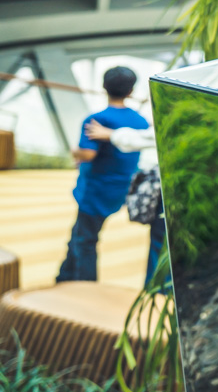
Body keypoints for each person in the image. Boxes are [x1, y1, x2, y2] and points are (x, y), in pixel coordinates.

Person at [55, 67, 150, 282]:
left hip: (95, 191)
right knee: (79, 235)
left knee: (85, 241)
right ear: (131, 90)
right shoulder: (140, 122)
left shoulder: (97, 119)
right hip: (120, 189)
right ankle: (63, 278)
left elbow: (87, 154)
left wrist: (74, 151)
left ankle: (85, 289)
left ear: (104, 87)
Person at [84, 121, 164, 284]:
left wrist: (111, 134)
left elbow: (145, 138)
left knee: (160, 245)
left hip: (96, 197)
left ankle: (155, 295)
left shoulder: (98, 119)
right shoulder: (137, 119)